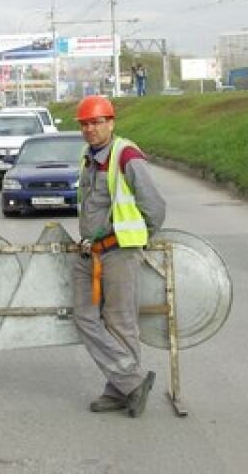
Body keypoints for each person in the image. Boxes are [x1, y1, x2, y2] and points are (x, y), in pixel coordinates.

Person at [72, 95, 166, 417]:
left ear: (111, 122)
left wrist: (138, 239)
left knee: (120, 323)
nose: (90, 129)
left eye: (97, 122)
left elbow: (154, 207)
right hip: (90, 252)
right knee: (84, 317)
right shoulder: (88, 157)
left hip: (119, 252)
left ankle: (118, 390)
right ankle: (132, 382)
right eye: (85, 124)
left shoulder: (126, 155)